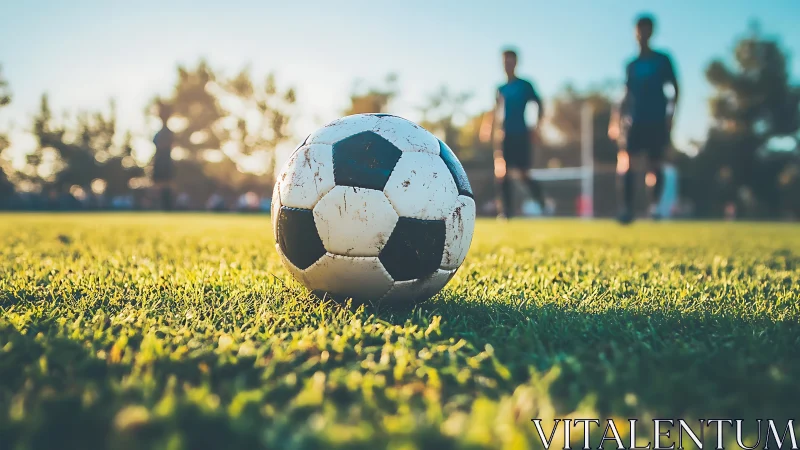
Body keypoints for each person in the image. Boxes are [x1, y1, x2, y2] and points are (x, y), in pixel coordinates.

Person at [608, 14, 680, 224]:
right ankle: (626, 209)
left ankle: (655, 206)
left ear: (652, 32)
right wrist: (615, 120)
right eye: (639, 29)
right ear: (635, 32)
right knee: (626, 162)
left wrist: (671, 115)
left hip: (656, 119)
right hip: (634, 121)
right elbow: (624, 94)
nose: (642, 33)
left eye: (646, 29)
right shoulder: (631, 65)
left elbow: (675, 88)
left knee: (654, 165)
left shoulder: (662, 60)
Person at [485, 48, 546, 219]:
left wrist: (537, 127)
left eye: (510, 61)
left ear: (516, 63)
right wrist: (488, 127)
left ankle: (540, 201)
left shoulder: (525, 85)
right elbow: (495, 110)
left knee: (523, 173)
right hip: (504, 135)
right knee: (502, 171)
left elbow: (539, 104)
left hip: (521, 133)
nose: (507, 64)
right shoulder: (500, 88)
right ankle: (505, 212)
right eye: (504, 61)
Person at [152, 102, 176, 211]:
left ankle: (168, 206)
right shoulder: (159, 133)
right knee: (159, 186)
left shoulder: (168, 132)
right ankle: (160, 206)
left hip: (166, 161)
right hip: (159, 161)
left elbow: (167, 144)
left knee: (167, 185)